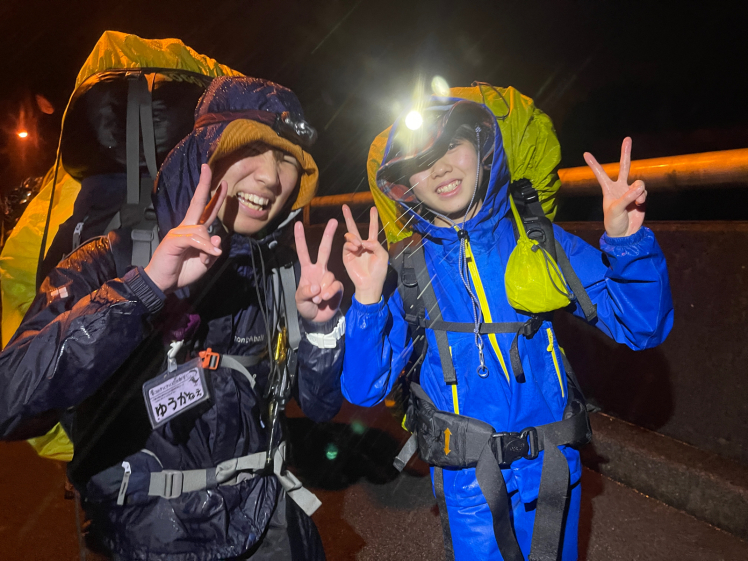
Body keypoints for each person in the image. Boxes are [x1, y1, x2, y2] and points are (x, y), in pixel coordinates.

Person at [0, 76, 345, 560]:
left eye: (289, 159)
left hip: (270, 528)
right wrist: (145, 289)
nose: (271, 177)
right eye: (251, 148)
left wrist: (322, 328)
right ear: (203, 152)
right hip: (150, 543)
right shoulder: (111, 258)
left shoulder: (279, 273)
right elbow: (10, 400)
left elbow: (321, 406)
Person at [340, 93, 673, 560]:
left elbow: (640, 326)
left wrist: (627, 241)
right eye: (420, 162)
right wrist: (368, 299)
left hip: (554, 468)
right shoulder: (407, 267)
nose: (439, 169)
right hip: (467, 483)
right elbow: (363, 389)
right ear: (405, 184)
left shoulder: (537, 240)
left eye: (452, 145)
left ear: (482, 148)